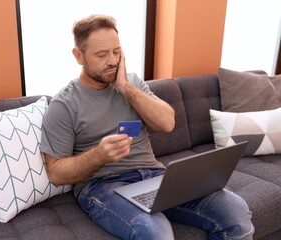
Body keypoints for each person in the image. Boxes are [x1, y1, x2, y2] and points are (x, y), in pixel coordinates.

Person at [40, 14, 254, 240]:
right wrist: (98, 156)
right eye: (102, 55)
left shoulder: (132, 83)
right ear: (78, 56)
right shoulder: (64, 104)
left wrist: (125, 87)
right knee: (154, 233)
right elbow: (56, 172)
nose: (112, 61)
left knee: (236, 213)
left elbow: (167, 123)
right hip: (103, 186)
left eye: (116, 51)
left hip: (155, 176)